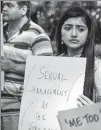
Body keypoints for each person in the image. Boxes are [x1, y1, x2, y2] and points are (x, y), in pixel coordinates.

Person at [1, 1, 53, 130]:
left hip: (19, 109)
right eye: (3, 5)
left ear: (23, 10)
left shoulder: (37, 34)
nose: (4, 8)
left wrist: (13, 67)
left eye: (10, 5)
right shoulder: (0, 31)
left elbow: (48, 73)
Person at [55, 6, 101, 106]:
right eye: (68, 28)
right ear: (60, 32)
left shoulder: (97, 67)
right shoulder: (53, 63)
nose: (73, 34)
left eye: (80, 29)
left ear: (88, 34)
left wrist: (92, 109)